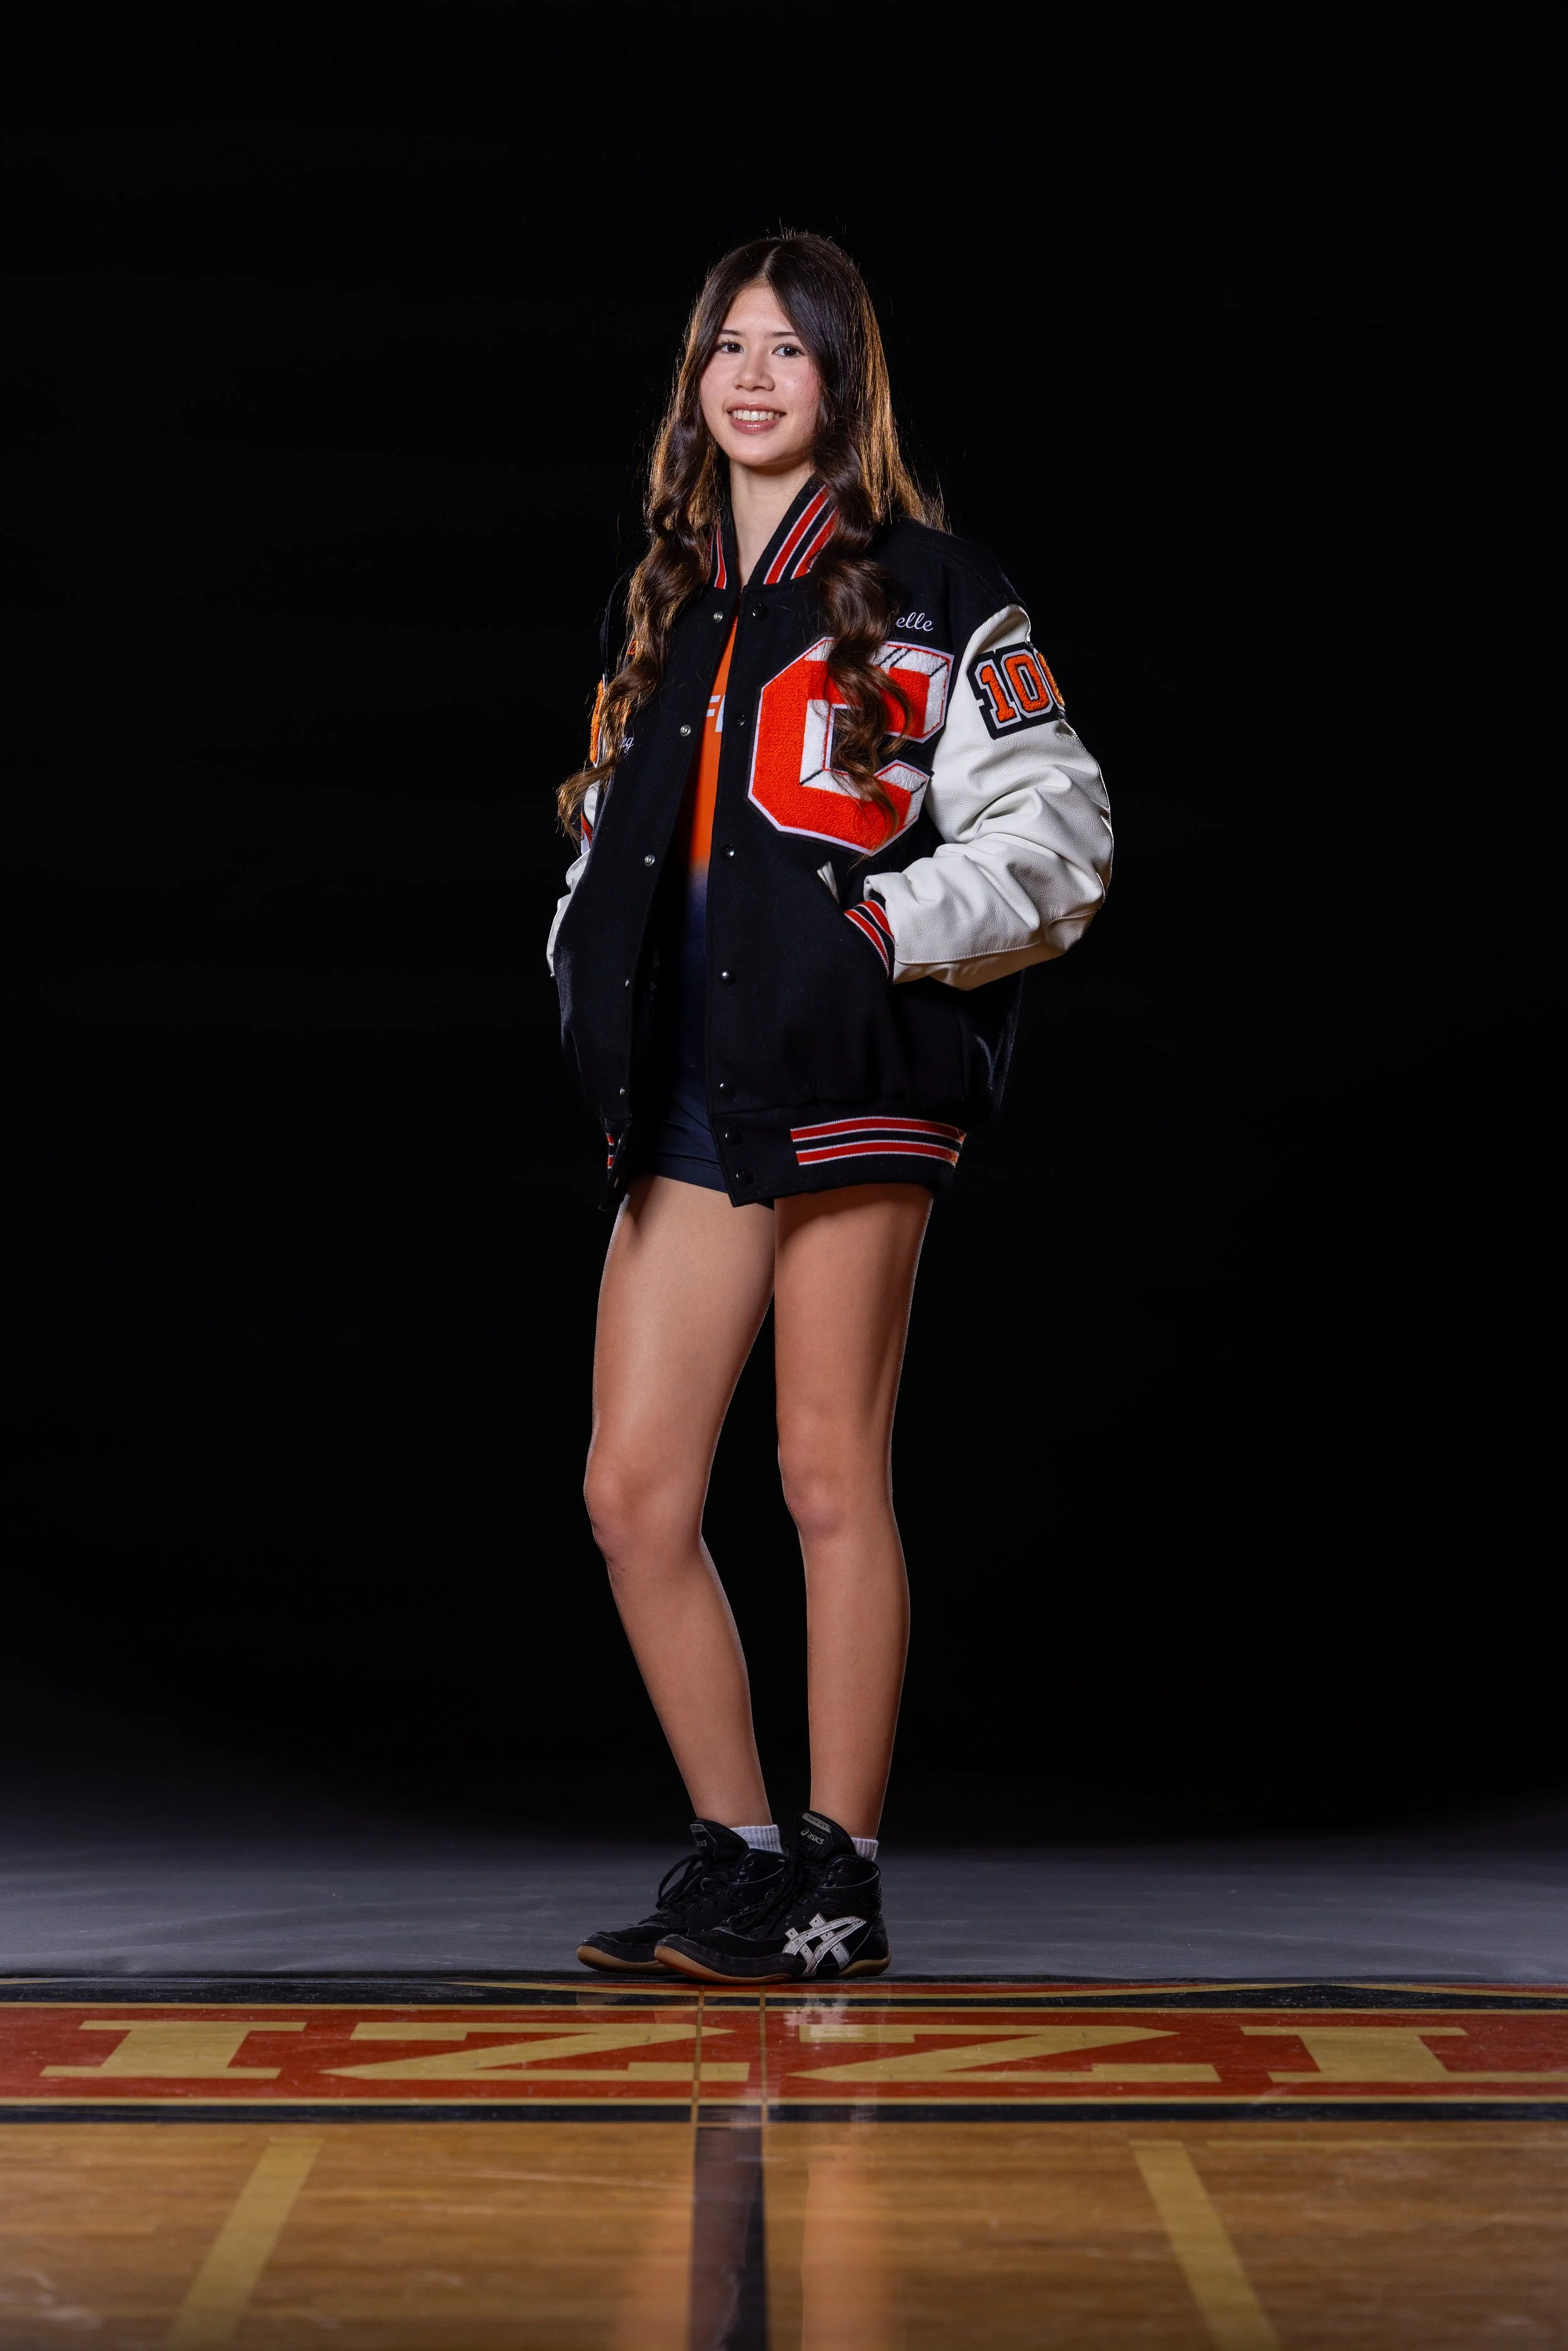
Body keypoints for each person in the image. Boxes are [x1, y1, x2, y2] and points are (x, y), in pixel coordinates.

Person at [547, 233, 1111, 1982]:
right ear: (693, 380)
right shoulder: (669, 603)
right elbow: (610, 848)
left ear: (841, 383)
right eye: (728, 345)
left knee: (819, 1471)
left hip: (854, 1080)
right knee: (634, 1492)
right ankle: (735, 1854)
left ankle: (836, 1882)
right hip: (692, 1088)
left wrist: (877, 934)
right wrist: (585, 960)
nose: (753, 375)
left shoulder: (938, 585)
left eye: (788, 349)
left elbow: (1061, 831)